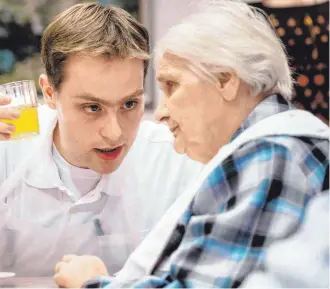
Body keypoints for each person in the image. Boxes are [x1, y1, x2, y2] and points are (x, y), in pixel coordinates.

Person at [0, 3, 203, 276]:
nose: (114, 132)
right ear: (49, 93)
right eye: (92, 107)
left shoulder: (173, 155)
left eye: (130, 104)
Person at [52, 0, 329, 287]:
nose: (160, 113)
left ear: (225, 81)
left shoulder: (271, 153)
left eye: (172, 86)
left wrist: (92, 283)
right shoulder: (274, 148)